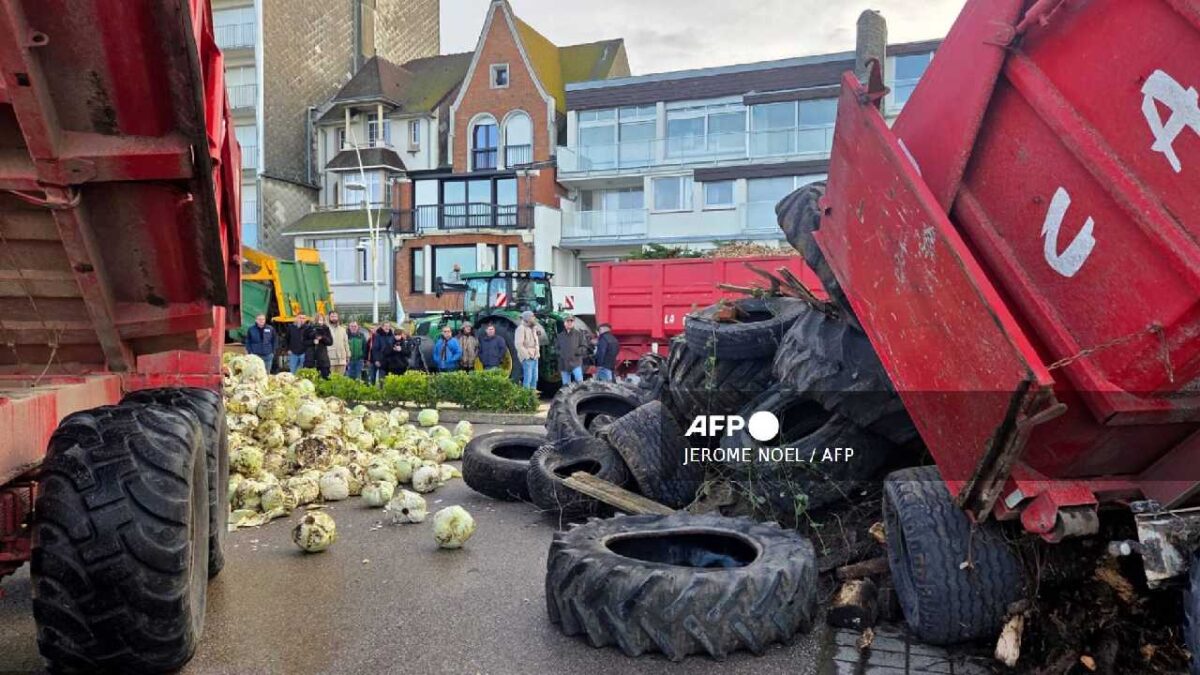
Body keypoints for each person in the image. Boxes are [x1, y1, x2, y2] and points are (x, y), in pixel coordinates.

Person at [556, 314, 588, 386]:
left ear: (573, 323)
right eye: (567, 321)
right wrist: (561, 353)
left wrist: (576, 352)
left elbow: (584, 347)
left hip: (575, 363)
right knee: (566, 385)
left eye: (571, 321)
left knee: (580, 383)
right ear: (564, 323)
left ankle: (580, 396)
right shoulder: (560, 336)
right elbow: (556, 348)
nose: (569, 322)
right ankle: (567, 396)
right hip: (563, 364)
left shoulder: (579, 334)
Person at [515, 311, 542, 389]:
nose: (534, 318)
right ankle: (526, 397)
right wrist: (527, 356)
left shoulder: (534, 328)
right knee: (528, 379)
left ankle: (533, 397)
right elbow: (518, 345)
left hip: (535, 356)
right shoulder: (521, 329)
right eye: (532, 317)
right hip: (528, 357)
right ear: (527, 318)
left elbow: (536, 342)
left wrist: (537, 353)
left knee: (535, 378)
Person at [304, 313, 334, 378]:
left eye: (322, 319)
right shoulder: (308, 328)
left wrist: (322, 338)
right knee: (311, 380)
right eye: (319, 319)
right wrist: (313, 341)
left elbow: (330, 342)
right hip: (311, 359)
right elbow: (304, 342)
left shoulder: (326, 329)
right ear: (315, 320)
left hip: (323, 359)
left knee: (325, 379)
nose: (320, 321)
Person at [327, 311, 349, 376]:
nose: (334, 318)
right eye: (332, 316)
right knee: (330, 380)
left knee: (340, 380)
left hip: (342, 360)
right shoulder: (326, 329)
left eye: (335, 316)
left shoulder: (343, 329)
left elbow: (346, 343)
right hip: (330, 360)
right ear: (329, 318)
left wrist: (348, 355)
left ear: (338, 318)